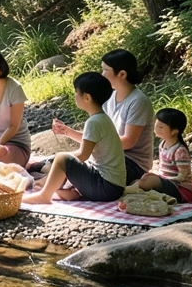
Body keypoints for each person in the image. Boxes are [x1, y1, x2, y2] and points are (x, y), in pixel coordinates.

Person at [48, 49, 153, 183]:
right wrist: (67, 132)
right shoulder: (110, 97)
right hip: (109, 157)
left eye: (105, 70)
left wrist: (88, 148)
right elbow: (98, 138)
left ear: (122, 74)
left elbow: (128, 141)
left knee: (62, 170)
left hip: (132, 164)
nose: (102, 74)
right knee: (49, 165)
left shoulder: (138, 101)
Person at [23, 72, 126, 204]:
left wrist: (59, 161)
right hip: (113, 188)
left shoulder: (94, 122)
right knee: (63, 164)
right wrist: (67, 132)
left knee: (62, 158)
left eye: (76, 92)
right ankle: (62, 191)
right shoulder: (102, 119)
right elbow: (89, 140)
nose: (74, 95)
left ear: (87, 97)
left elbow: (83, 155)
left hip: (105, 187)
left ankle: (44, 196)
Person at [134, 108, 192, 203]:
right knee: (145, 177)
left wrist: (162, 182)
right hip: (168, 182)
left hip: (182, 190)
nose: (156, 129)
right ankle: (140, 189)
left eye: (160, 127)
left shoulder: (179, 151)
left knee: (150, 181)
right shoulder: (162, 144)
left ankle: (133, 189)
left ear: (174, 131)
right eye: (155, 125)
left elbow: (182, 176)